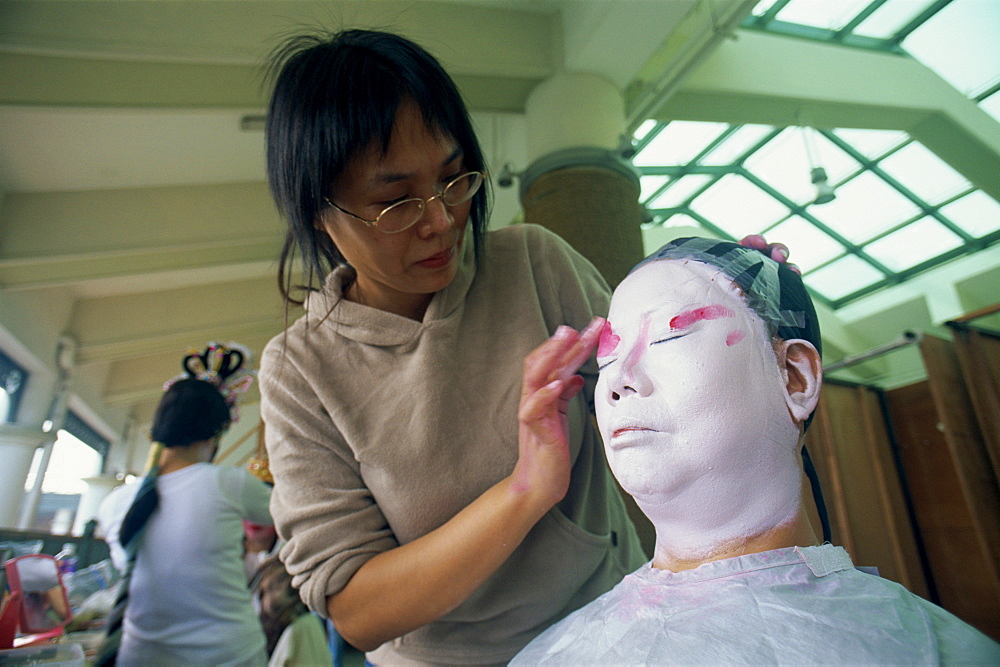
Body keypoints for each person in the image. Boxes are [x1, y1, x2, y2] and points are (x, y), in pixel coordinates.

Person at [257, 28, 795, 665]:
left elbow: (661, 387)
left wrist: (724, 326)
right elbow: (358, 610)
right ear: (318, 212)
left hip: (615, 626)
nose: (439, 220)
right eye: (394, 202)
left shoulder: (534, 262)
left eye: (455, 179)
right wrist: (526, 488)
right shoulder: (300, 371)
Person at [512, 238, 1000, 664]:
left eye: (671, 335)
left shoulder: (938, 654)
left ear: (794, 377)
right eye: (608, 357)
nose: (618, 380)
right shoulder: (545, 655)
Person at [100, 343, 272, 666]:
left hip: (139, 657)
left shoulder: (113, 505)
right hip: (229, 656)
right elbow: (290, 514)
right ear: (216, 432)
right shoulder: (227, 483)